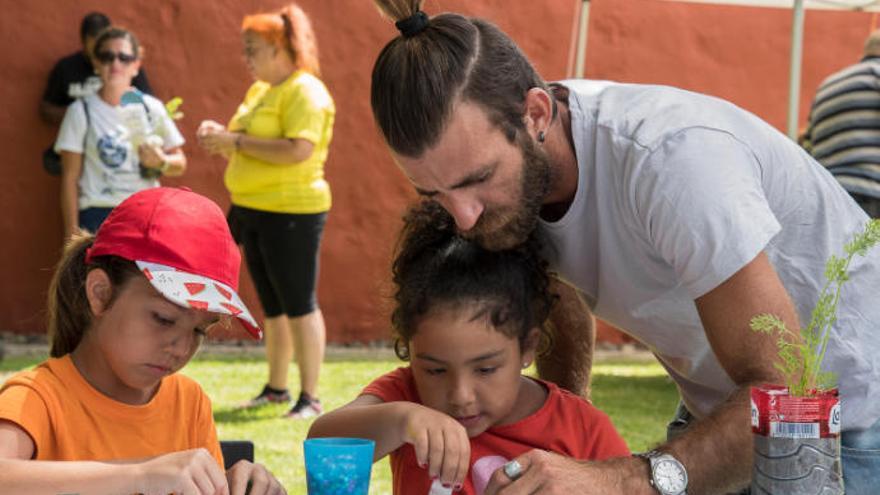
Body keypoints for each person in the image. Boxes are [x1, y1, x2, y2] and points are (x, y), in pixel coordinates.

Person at [368, 1, 880, 494]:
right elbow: (550, 299)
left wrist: (619, 480)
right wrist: (567, 443)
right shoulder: (510, 189)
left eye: (478, 179)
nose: (464, 217)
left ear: (536, 114)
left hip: (849, 419)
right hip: (723, 410)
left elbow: (786, 397)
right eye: (433, 193)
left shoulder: (672, 164)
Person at [308, 202, 629, 494]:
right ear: (410, 348)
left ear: (527, 347)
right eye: (435, 369)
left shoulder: (583, 428)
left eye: (485, 369)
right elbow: (322, 440)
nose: (461, 395)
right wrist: (400, 421)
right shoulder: (406, 396)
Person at [0, 187, 285, 495]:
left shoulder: (187, 402)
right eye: (163, 319)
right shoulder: (37, 398)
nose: (180, 347)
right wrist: (139, 474)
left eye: (199, 330)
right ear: (100, 294)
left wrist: (236, 484)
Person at [197, 2, 335, 419]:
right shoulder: (262, 91)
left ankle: (310, 396)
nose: (247, 58)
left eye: (253, 49)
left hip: (291, 210)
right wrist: (218, 135)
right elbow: (244, 137)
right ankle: (276, 388)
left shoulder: (305, 91)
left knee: (299, 303)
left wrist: (234, 142)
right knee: (273, 306)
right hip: (251, 207)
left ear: (280, 49)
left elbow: (299, 149)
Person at [55, 26, 186, 239]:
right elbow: (69, 178)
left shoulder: (150, 108)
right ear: (96, 63)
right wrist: (72, 235)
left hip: (145, 212)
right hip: (97, 214)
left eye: (124, 57)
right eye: (107, 56)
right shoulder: (81, 111)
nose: (115, 64)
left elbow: (180, 162)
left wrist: (161, 161)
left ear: (136, 65)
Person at [802, 29, 880, 219]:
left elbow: (807, 145)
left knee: (849, 250)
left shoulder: (827, 85)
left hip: (829, 198)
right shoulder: (876, 72)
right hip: (870, 193)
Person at [40, 12, 153, 126]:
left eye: (102, 42)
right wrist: (82, 114)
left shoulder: (125, 66)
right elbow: (48, 108)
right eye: (94, 41)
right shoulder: (66, 67)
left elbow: (148, 105)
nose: (114, 64)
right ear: (84, 41)